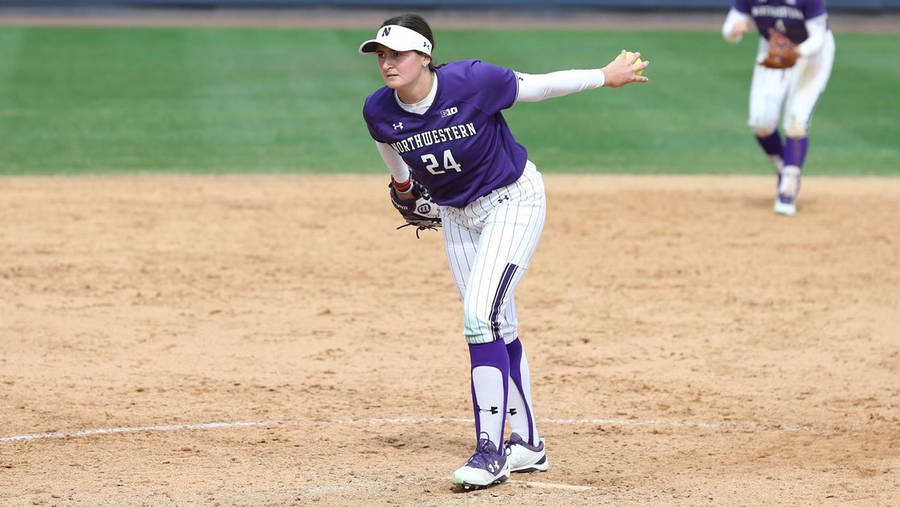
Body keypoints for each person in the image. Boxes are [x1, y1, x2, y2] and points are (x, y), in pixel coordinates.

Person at [359, 13, 649, 490]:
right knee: (498, 323)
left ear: (425, 56)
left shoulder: (472, 82)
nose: (388, 63)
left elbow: (542, 87)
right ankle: (529, 445)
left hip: (512, 200)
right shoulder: (379, 110)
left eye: (399, 54)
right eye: (382, 55)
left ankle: (490, 453)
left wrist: (605, 76)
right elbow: (389, 149)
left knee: (479, 316)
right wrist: (405, 186)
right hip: (457, 216)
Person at [722, 0, 835, 216]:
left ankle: (788, 189)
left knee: (796, 119)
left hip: (812, 55)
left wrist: (795, 53)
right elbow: (729, 29)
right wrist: (734, 31)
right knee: (760, 121)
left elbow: (818, 38)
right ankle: (783, 167)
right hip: (774, 51)